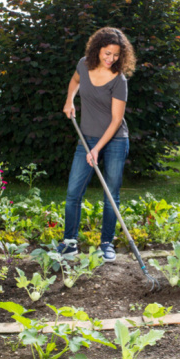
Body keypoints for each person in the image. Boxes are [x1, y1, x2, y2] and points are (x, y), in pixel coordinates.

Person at [59, 27, 136, 262]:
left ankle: (106, 243)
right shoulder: (84, 64)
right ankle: (70, 243)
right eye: (107, 53)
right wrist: (70, 100)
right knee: (73, 192)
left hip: (114, 140)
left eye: (115, 55)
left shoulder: (119, 79)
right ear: (97, 49)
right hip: (87, 137)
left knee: (110, 194)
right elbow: (75, 81)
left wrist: (97, 148)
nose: (111, 59)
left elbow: (115, 121)